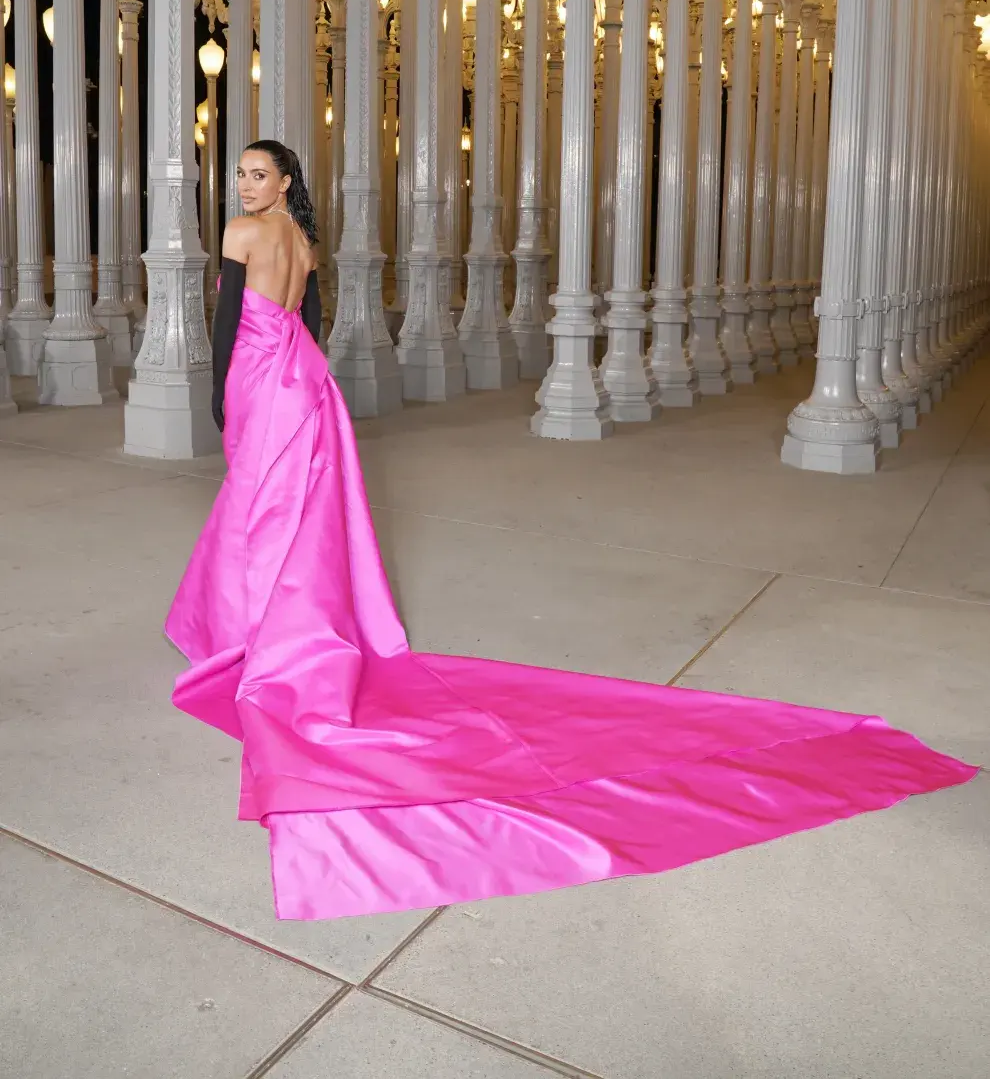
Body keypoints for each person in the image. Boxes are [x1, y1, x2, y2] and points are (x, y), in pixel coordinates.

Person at [166, 141, 976, 922]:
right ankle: (275, 628)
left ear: (282, 182)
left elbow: (230, 317)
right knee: (298, 516)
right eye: (239, 173)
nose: (243, 185)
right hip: (306, 379)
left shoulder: (243, 233)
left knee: (259, 509)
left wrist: (219, 397)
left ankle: (250, 637)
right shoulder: (303, 237)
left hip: (260, 377)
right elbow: (309, 313)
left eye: (257, 173)